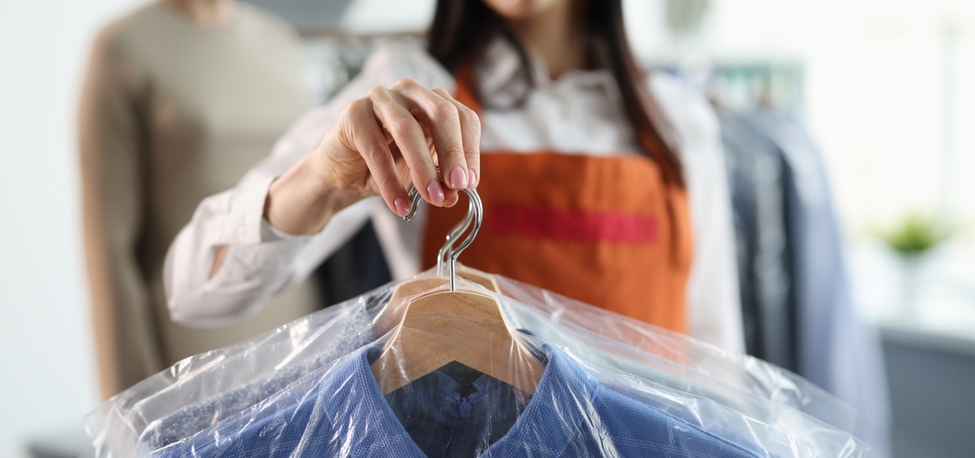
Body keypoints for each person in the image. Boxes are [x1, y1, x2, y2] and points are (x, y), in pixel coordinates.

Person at [164, 0, 744, 353]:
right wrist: (322, 181)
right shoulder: (409, 93)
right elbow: (192, 292)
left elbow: (713, 356)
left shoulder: (678, 121)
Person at [80, 0, 323, 398]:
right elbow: (109, 249)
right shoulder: (124, 48)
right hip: (194, 354)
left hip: (299, 337)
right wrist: (126, 410)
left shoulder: (278, 40)